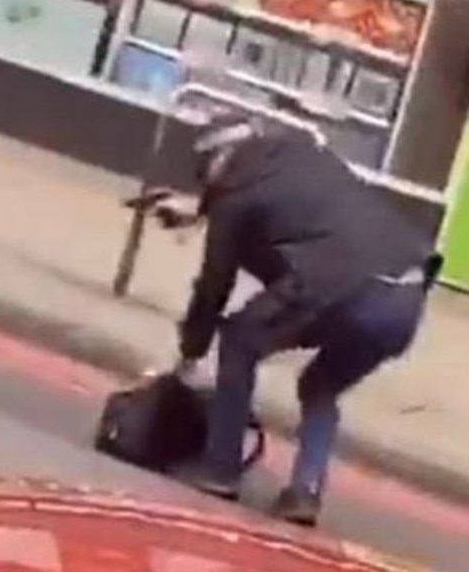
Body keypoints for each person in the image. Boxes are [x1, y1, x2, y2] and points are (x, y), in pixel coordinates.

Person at [154, 112, 441, 527]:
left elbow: (214, 286)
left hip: (340, 286)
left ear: (215, 159)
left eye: (203, 172)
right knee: (320, 385)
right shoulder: (303, 154)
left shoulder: (235, 196)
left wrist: (192, 350)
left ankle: (220, 468)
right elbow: (300, 211)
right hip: (404, 296)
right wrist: (204, 212)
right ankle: (304, 492)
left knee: (238, 338)